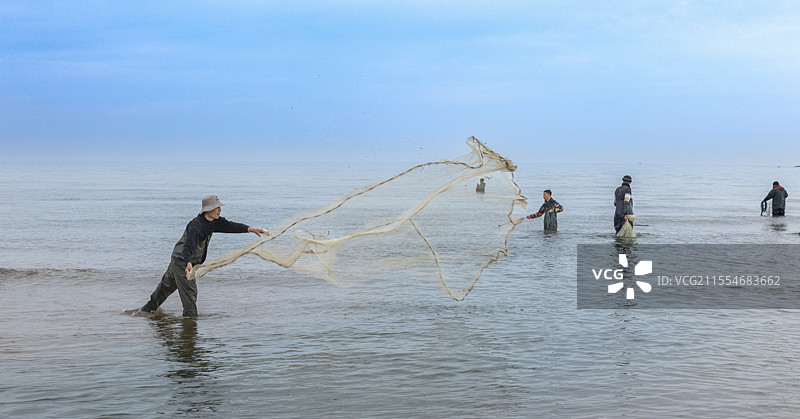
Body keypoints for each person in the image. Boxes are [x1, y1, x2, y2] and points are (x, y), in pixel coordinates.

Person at [140, 195, 269, 318]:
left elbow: (231, 226)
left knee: (165, 287)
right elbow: (188, 246)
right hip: (183, 261)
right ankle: (190, 326)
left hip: (179, 258)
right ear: (207, 210)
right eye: (217, 207)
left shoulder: (214, 221)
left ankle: (145, 311)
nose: (220, 210)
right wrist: (188, 262)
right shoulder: (196, 226)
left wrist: (252, 229)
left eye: (219, 207)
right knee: (190, 294)